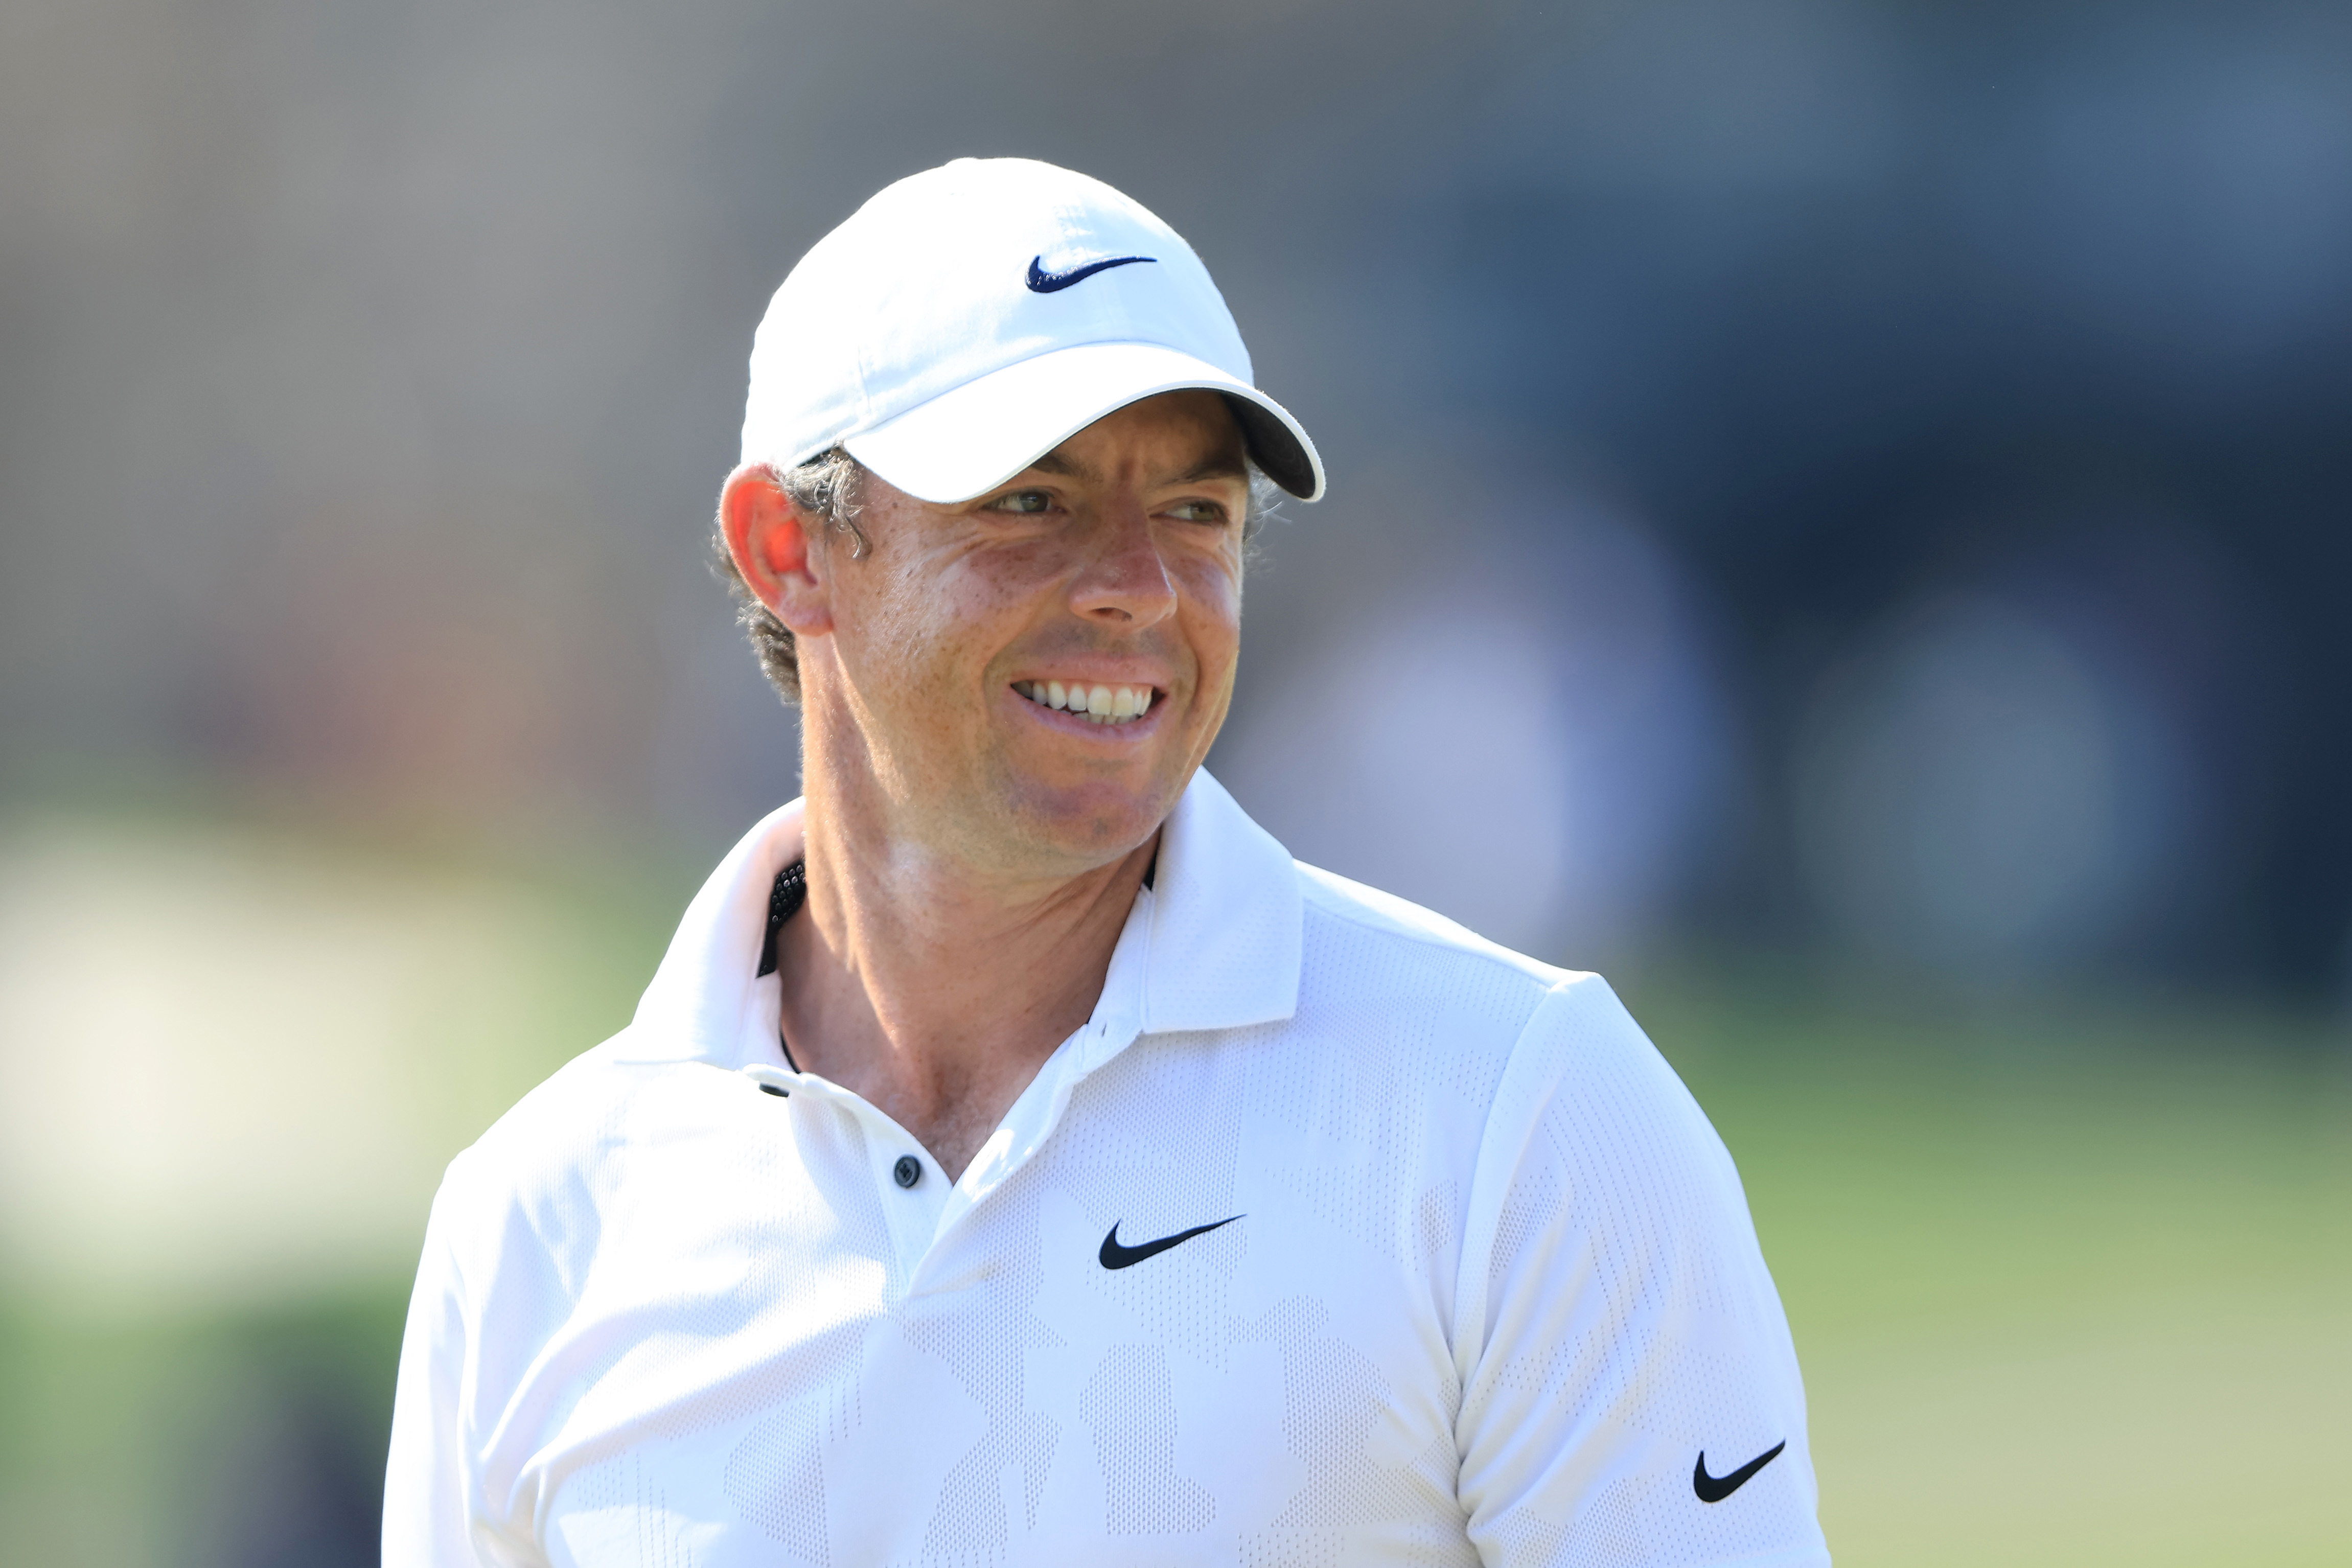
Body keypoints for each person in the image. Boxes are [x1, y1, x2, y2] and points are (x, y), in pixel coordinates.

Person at [384, 157, 1829, 1568]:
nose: (1138, 588)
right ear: (788, 550)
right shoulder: (541, 1220)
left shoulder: (1525, 1109)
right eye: (1032, 502)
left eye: (1197, 512)